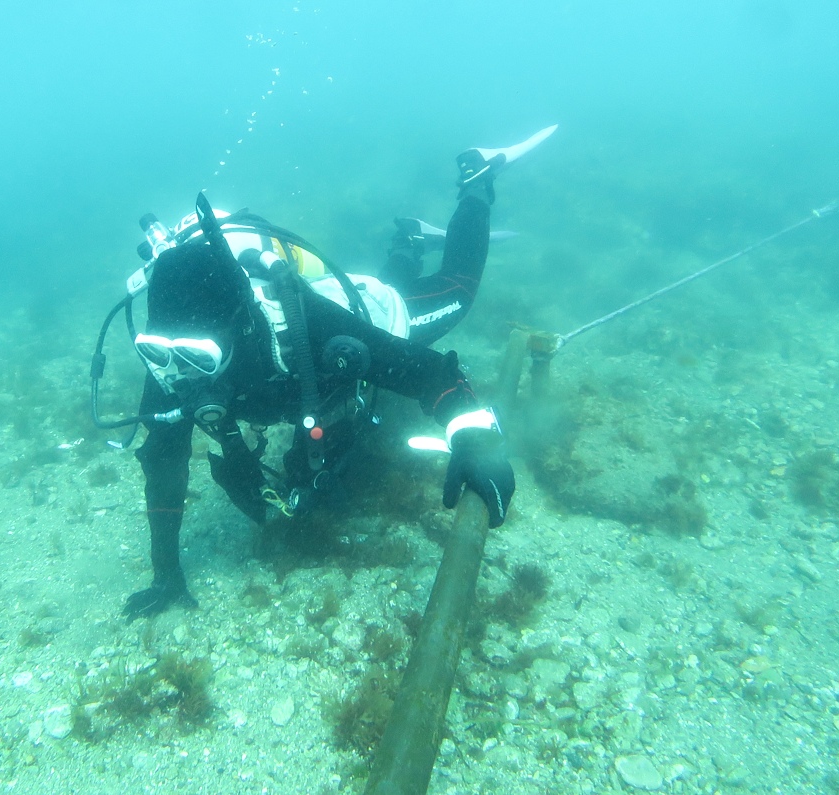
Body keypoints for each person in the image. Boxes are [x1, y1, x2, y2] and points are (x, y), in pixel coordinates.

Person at [110, 125, 557, 621]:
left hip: (361, 314)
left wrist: (475, 442)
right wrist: (166, 574)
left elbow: (425, 373)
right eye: (160, 352)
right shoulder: (171, 362)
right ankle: (407, 239)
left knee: (455, 292)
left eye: (200, 358)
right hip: (316, 370)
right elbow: (163, 464)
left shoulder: (298, 325)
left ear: (243, 330)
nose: (186, 376)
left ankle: (477, 178)